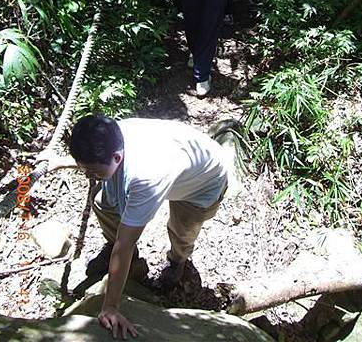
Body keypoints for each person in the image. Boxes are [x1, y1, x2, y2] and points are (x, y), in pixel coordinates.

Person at [42, 114, 228, 340]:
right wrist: (61, 161)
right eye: (85, 170)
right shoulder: (110, 135)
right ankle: (129, 263)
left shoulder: (145, 176)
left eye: (93, 172)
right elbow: (95, 163)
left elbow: (125, 243)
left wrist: (110, 307)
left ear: (117, 158)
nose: (88, 176)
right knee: (102, 202)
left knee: (182, 230)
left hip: (202, 184)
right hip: (172, 168)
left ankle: (177, 261)